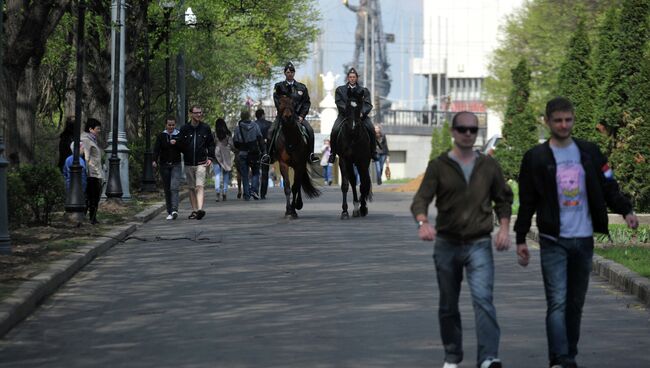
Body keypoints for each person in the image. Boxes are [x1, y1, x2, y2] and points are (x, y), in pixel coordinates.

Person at [514, 97, 639, 368]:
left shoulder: (590, 153)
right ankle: (561, 358)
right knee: (557, 301)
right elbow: (527, 201)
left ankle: (568, 352)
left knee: (574, 303)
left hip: (583, 240)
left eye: (568, 119)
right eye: (557, 120)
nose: (563, 125)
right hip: (552, 240)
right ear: (547, 122)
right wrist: (521, 238)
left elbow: (609, 187)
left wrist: (626, 211)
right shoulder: (535, 158)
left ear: (573, 119)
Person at [410, 111, 513, 368]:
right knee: (448, 304)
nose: (468, 134)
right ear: (454, 132)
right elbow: (420, 200)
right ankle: (452, 356)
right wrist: (423, 222)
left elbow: (503, 198)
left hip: (479, 243)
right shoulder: (439, 166)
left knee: (483, 300)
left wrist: (503, 229)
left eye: (473, 130)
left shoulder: (488, 165)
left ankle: (489, 357)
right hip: (447, 243)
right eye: (463, 129)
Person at [264, 62, 319, 164]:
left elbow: (306, 102)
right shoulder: (279, 86)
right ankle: (268, 155)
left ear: (294, 73)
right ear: (285, 73)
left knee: (310, 131)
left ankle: (311, 154)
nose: (290, 74)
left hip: (298, 117)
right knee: (270, 132)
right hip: (282, 117)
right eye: (288, 72)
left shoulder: (301, 87)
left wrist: (302, 116)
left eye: (292, 72)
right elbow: (276, 100)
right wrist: (283, 113)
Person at [328, 67, 378, 164]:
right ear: (347, 78)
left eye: (354, 77)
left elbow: (368, 104)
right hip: (344, 116)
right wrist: (349, 112)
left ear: (357, 78)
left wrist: (362, 112)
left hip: (360, 117)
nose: (352, 79)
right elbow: (339, 102)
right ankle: (333, 153)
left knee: (371, 129)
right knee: (334, 130)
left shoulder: (364, 90)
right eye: (350, 77)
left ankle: (373, 152)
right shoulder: (340, 90)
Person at [178, 105, 215, 220]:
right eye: (196, 113)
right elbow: (180, 145)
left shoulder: (205, 128)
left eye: (200, 112)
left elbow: (211, 144)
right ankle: (194, 210)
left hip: (201, 162)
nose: (199, 115)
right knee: (191, 188)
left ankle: (199, 209)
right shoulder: (184, 129)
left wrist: (210, 157)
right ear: (191, 114)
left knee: (199, 186)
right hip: (189, 162)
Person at [152, 115, 182, 220]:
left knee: (174, 187)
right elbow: (157, 149)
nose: (171, 127)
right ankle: (169, 211)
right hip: (164, 165)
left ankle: (174, 210)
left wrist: (176, 143)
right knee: (167, 189)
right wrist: (154, 160)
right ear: (166, 125)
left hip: (176, 164)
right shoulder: (161, 136)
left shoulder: (179, 135)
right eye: (169, 125)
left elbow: (183, 147)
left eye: (173, 125)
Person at [233, 110, 265, 201]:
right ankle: (254, 190)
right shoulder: (255, 125)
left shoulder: (237, 128)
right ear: (249, 116)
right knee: (255, 172)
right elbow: (260, 138)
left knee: (245, 175)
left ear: (241, 116)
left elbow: (235, 143)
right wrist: (263, 151)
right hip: (254, 153)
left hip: (242, 153)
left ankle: (247, 194)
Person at [80, 118, 105, 225]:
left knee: (94, 197)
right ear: (91, 129)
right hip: (91, 174)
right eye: (97, 129)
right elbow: (86, 157)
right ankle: (90, 219)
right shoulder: (86, 140)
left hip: (96, 173)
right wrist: (88, 171)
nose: (99, 131)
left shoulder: (92, 140)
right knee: (92, 197)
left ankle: (92, 218)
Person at [213, 118, 234, 202]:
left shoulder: (214, 134)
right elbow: (231, 145)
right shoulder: (228, 134)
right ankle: (224, 192)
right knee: (226, 174)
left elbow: (212, 144)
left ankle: (217, 192)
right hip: (226, 156)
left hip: (216, 156)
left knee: (217, 175)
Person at [254, 108, 272, 199]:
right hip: (266, 151)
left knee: (255, 172)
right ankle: (263, 194)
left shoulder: (253, 124)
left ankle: (255, 191)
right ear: (263, 115)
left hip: (255, 150)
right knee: (265, 173)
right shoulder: (269, 124)